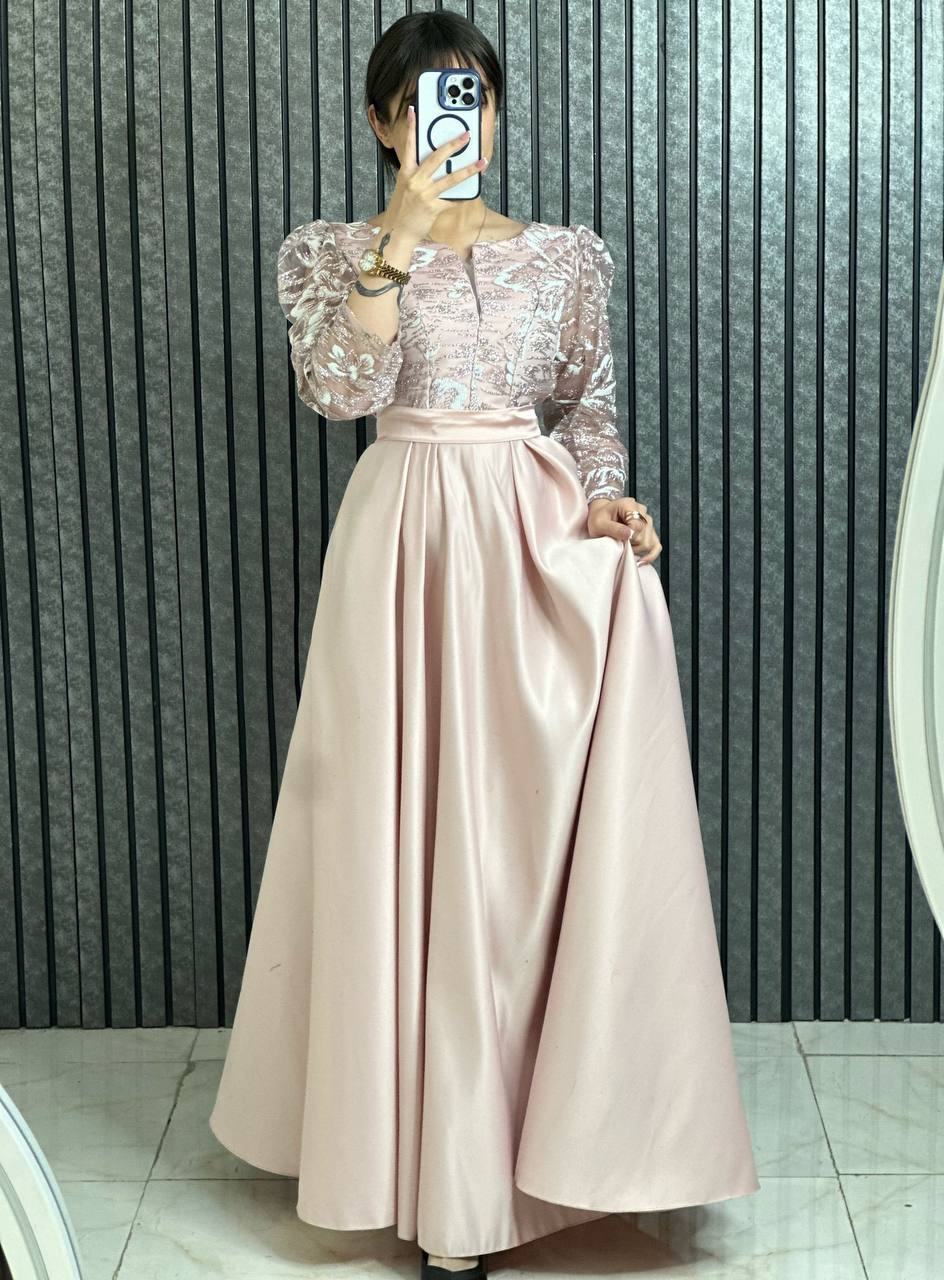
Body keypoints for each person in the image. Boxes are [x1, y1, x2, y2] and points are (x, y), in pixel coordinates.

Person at [208, 12, 759, 1280]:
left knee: (515, 850)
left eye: (473, 100)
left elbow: (587, 406)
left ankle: (546, 1155)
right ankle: (422, 1175)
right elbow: (337, 392)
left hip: (530, 538)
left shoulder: (566, 256)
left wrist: (605, 497)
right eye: (422, 103)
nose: (455, 124)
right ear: (381, 121)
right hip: (400, 547)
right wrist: (395, 242)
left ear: (497, 112)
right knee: (400, 838)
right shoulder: (328, 249)